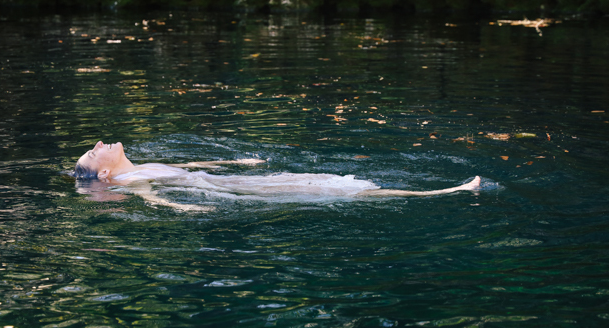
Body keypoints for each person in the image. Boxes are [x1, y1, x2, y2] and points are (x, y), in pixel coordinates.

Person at [72, 141, 481, 209]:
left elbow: (196, 166)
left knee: (316, 179)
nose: (101, 143)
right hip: (227, 191)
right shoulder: (126, 181)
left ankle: (432, 192)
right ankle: (439, 192)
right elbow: (150, 196)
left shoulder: (139, 165)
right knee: (328, 192)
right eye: (95, 151)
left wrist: (236, 164)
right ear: (104, 170)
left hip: (231, 179)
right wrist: (178, 206)